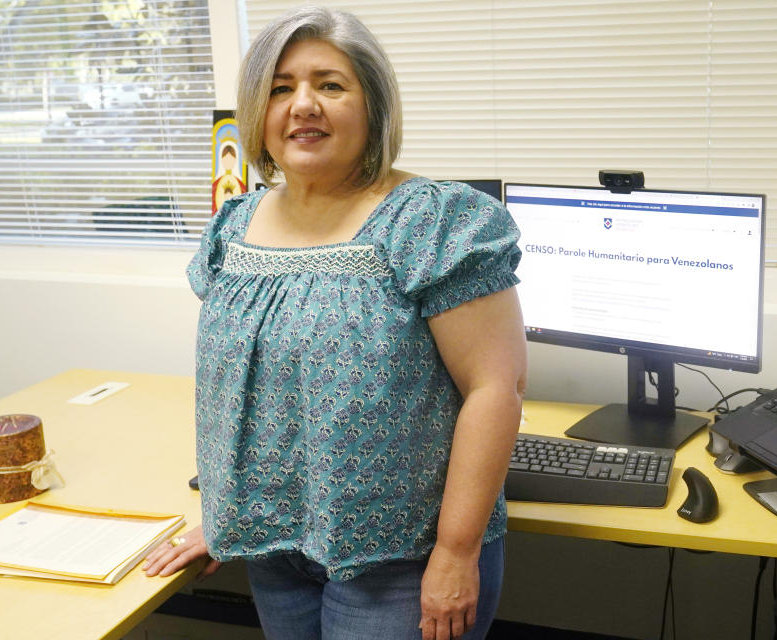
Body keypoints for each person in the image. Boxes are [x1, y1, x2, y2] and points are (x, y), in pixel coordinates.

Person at [142, 6, 526, 640]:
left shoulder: (432, 222)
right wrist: (226, 514)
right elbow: (247, 394)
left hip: (402, 560)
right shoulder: (233, 229)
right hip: (274, 551)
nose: (303, 106)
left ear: (372, 106)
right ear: (256, 111)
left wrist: (456, 553)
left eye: (330, 84)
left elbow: (497, 387)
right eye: (280, 87)